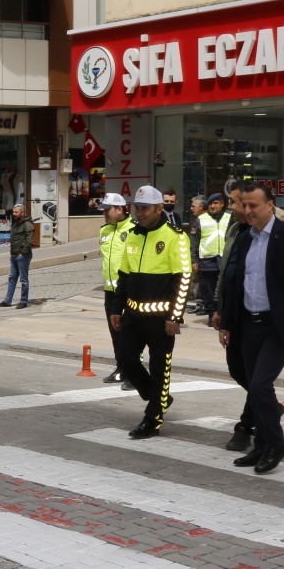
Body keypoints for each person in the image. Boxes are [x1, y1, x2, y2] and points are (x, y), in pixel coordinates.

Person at [218, 182, 284, 474]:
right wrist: (228, 322)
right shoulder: (245, 238)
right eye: (244, 206)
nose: (248, 211)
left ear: (270, 205)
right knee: (254, 385)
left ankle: (276, 443)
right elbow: (237, 284)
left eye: (253, 206)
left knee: (260, 385)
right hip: (249, 323)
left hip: (278, 325)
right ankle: (260, 446)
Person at [109, 186, 192, 439]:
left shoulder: (175, 237)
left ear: (159, 209)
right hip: (133, 315)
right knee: (125, 361)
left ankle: (153, 419)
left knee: (160, 369)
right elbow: (123, 275)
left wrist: (175, 316)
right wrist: (116, 308)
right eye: (137, 207)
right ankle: (158, 398)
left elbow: (184, 279)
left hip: (161, 319)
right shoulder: (132, 235)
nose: (139, 212)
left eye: (144, 208)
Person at [97, 193, 133, 386]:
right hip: (109, 291)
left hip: (127, 291)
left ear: (119, 209)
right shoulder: (104, 231)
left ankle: (133, 371)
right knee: (115, 331)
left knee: (130, 333)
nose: (104, 213)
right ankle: (121, 368)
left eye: (107, 209)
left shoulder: (134, 229)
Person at [0, 204, 38, 309]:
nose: (14, 214)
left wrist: (22, 253)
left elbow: (29, 241)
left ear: (22, 213)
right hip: (14, 255)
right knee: (12, 278)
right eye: (13, 212)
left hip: (22, 256)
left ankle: (23, 301)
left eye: (16, 212)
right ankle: (7, 300)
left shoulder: (27, 224)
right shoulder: (16, 224)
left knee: (23, 279)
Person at [193, 193, 228, 318]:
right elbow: (194, 241)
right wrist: (194, 260)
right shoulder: (201, 219)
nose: (213, 206)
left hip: (224, 260)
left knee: (224, 289)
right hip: (207, 260)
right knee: (208, 290)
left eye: (216, 203)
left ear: (222, 204)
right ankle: (211, 315)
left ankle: (222, 314)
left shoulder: (229, 217)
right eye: (211, 204)